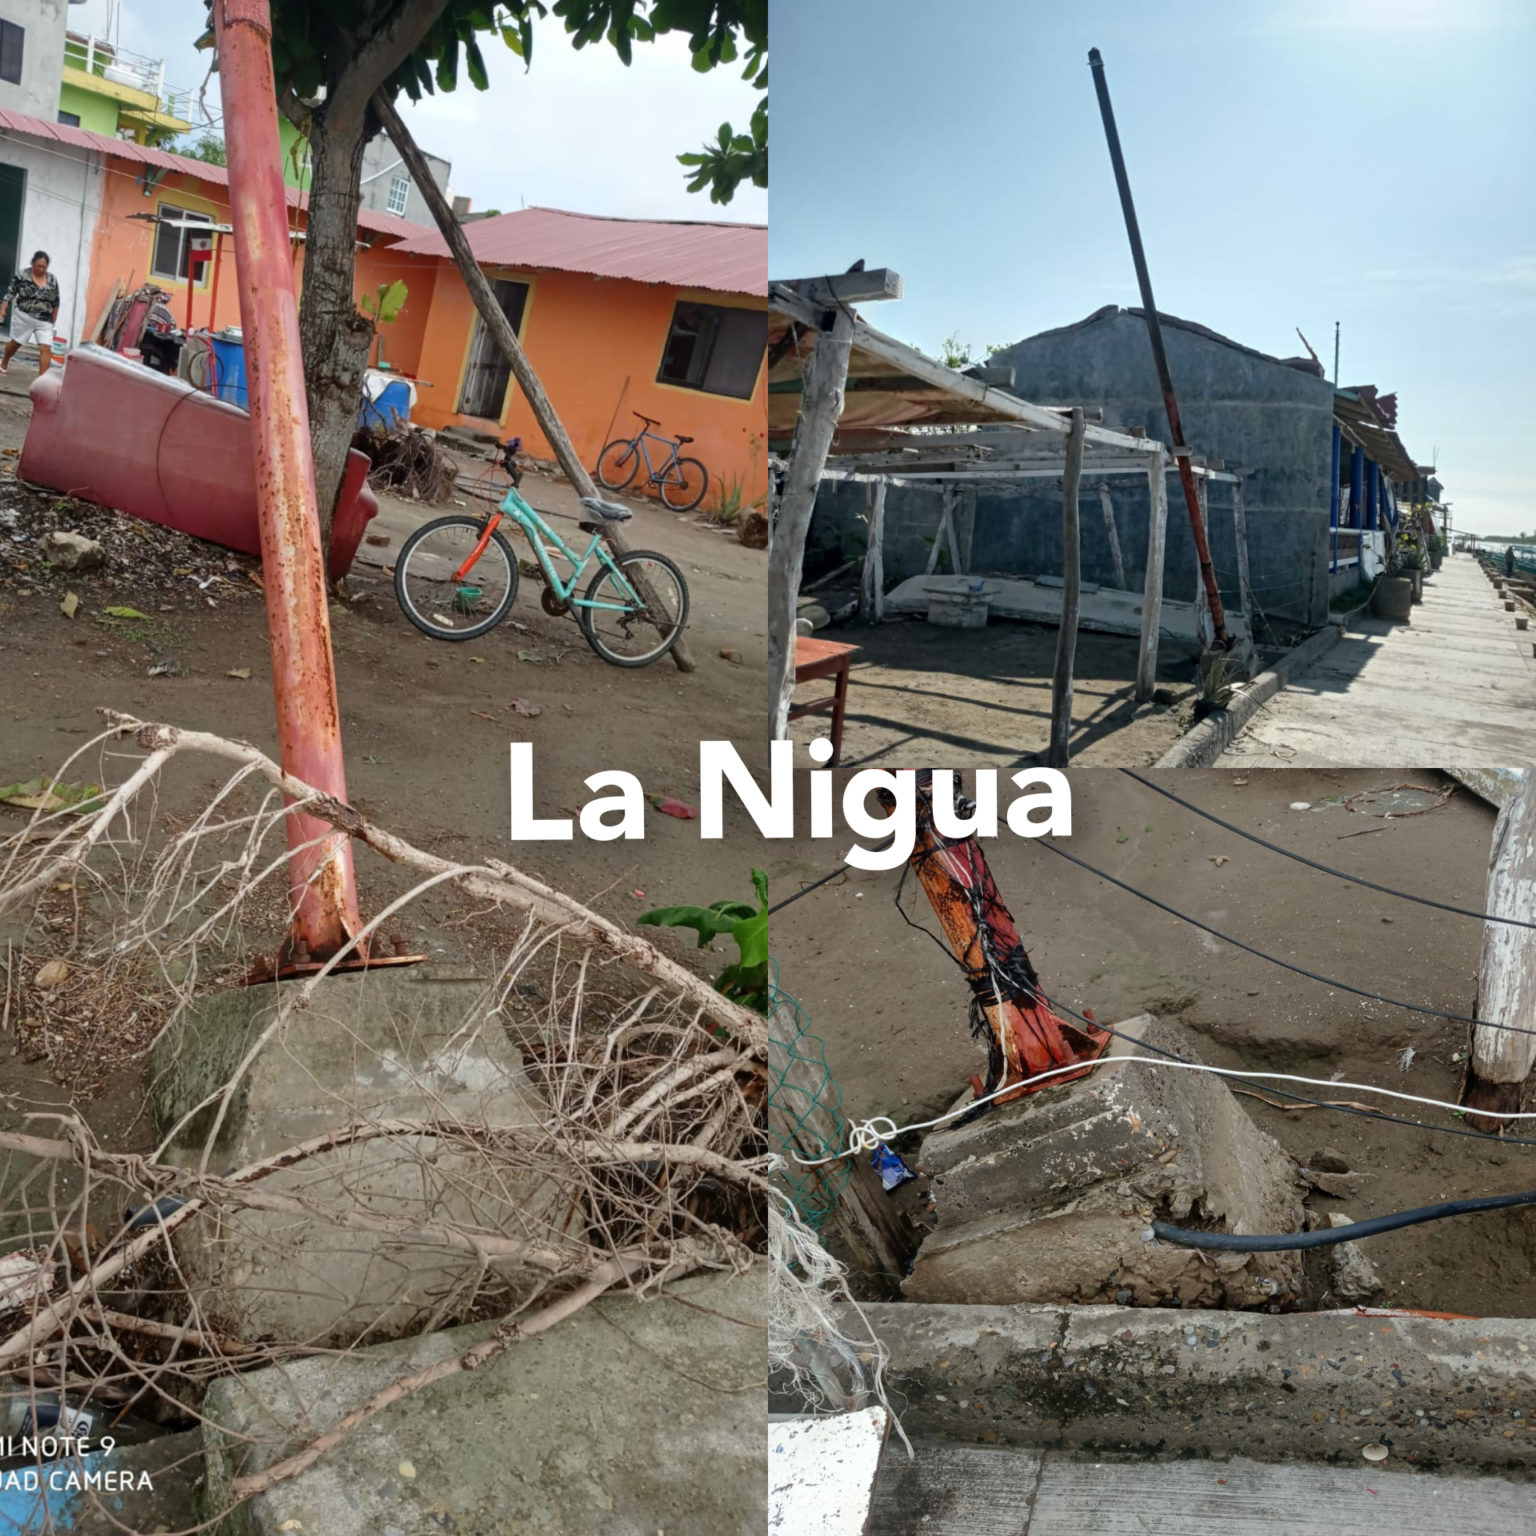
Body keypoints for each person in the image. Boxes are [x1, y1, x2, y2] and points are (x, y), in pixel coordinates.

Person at [0, 251, 61, 378]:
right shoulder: (22, 276)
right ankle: (5, 361)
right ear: (32, 263)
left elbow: (56, 302)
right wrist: (3, 309)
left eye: (44, 267)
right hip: (24, 317)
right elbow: (9, 294)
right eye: (38, 266)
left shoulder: (52, 280)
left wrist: (53, 321)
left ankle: (42, 380)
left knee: (46, 348)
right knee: (16, 343)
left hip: (45, 320)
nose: (41, 269)